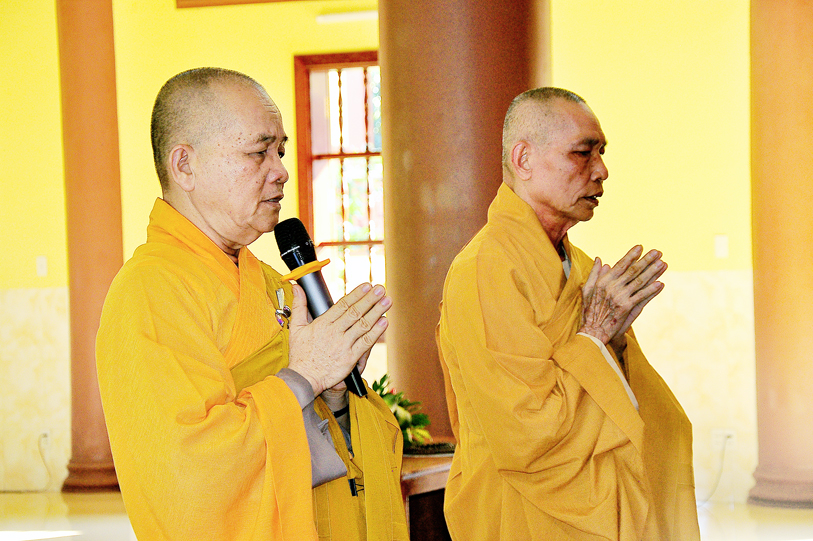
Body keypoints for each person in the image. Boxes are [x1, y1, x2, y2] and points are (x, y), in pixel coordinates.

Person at [96, 68, 408, 541]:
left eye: (280, 150)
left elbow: (329, 456)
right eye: (259, 152)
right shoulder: (150, 291)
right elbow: (191, 473)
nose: (280, 170)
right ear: (185, 166)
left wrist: (334, 394)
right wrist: (304, 377)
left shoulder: (272, 283)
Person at [436, 87, 700, 540]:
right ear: (523, 159)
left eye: (601, 153)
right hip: (519, 512)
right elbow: (525, 432)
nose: (601, 171)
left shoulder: (578, 266)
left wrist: (612, 344)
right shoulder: (485, 269)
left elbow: (625, 397)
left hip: (599, 503)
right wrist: (594, 338)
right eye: (582, 153)